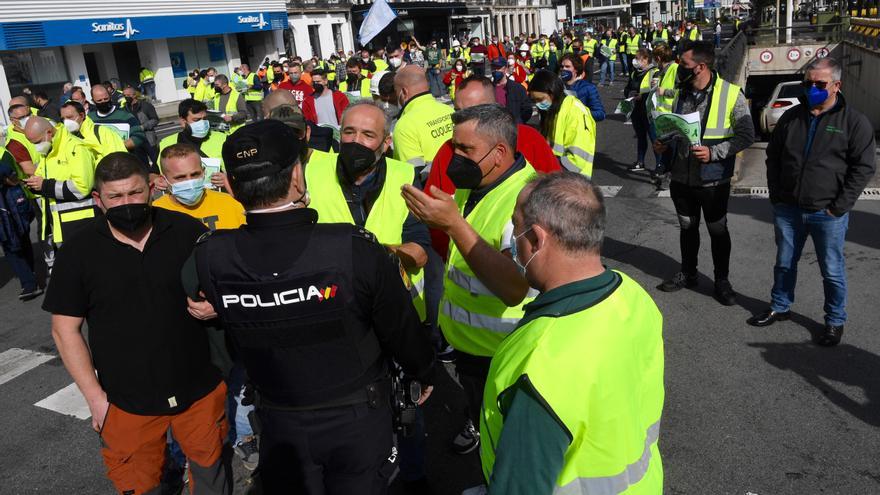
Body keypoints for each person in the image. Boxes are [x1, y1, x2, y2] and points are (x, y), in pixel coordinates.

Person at [189, 120, 436, 493]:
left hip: (278, 419)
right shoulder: (352, 247)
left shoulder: (209, 254)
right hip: (356, 418)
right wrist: (424, 371)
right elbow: (401, 329)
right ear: (297, 177)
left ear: (233, 187)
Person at [43, 152, 231, 495]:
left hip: (199, 390)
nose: (126, 203)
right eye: (115, 197)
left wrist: (216, 306)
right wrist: (95, 399)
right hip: (125, 402)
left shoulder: (187, 230)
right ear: (98, 200)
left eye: (135, 193)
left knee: (212, 477)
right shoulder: (78, 251)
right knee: (142, 486)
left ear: (153, 187)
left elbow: (225, 291)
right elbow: (64, 329)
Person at [479, 172, 664, 494]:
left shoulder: (541, 362)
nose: (512, 242)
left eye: (515, 228)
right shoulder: (633, 295)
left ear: (537, 239)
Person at [402, 104, 535, 458]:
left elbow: (513, 287)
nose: (453, 158)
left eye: (465, 150)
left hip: (502, 352)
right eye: (453, 147)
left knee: (507, 443)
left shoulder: (526, 200)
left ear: (500, 153)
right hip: (470, 347)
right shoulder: (477, 184)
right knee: (487, 427)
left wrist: (452, 224)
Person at [748, 58, 877, 346]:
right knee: (784, 263)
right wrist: (776, 194)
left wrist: (838, 207)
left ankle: (834, 321)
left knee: (831, 270)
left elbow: (864, 168)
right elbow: (774, 158)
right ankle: (779, 306)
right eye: (808, 84)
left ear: (836, 85)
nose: (812, 89)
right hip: (789, 208)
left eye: (820, 84)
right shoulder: (792, 118)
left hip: (827, 212)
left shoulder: (854, 122)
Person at [654, 41, 754, 305]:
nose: (679, 68)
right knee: (687, 227)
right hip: (681, 178)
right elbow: (678, 129)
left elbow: (746, 136)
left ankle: (722, 280)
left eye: (683, 64)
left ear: (700, 66)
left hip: (713, 180)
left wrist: (714, 153)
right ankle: (688, 272)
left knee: (717, 230)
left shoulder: (731, 94)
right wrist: (664, 142)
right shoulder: (681, 93)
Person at [425, 76, 559, 259]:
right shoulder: (448, 151)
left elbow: (557, 200)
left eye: (473, 112)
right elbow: (435, 217)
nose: (462, 120)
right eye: (457, 112)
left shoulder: (530, 139)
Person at [24, 116, 96, 270]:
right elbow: (45, 181)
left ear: (49, 132)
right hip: (62, 225)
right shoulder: (49, 149)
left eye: (36, 142)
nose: (36, 147)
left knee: (91, 270)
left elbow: (82, 187)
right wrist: (35, 184)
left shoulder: (75, 148)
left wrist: (45, 185)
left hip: (82, 223)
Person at [528, 70, 597, 177]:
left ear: (553, 93)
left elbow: (576, 161)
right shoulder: (553, 110)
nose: (537, 104)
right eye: (534, 100)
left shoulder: (574, 112)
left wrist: (546, 171)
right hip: (558, 179)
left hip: (572, 183)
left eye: (540, 99)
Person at [393, 66, 454, 178]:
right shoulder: (449, 110)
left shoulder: (404, 125)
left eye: (396, 92)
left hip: (433, 190)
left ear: (404, 92)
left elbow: (414, 177)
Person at [157, 100, 228, 194]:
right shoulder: (166, 143)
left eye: (205, 118)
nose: (203, 123)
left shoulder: (223, 139)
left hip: (218, 198)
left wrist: (226, 178)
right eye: (196, 120)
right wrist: (156, 180)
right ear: (183, 121)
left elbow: (238, 170)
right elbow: (153, 173)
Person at [0, 141, 40, 300]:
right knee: (11, 242)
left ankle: (30, 280)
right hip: (8, 205)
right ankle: (29, 280)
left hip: (12, 203)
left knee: (17, 240)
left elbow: (9, 175)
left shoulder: (3, 154)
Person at [90, 84, 149, 165]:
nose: (103, 102)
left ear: (110, 96)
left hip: (125, 162)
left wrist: (118, 146)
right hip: (101, 165)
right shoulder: (90, 119)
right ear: (93, 101)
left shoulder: (125, 115)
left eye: (106, 98)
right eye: (99, 100)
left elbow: (139, 136)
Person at [60, 100, 127, 164]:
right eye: (63, 119)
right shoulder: (63, 137)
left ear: (82, 115)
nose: (66, 121)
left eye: (70, 117)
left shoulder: (102, 132)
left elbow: (118, 159)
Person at [625, 48, 659, 172]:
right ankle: (640, 162)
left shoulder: (654, 72)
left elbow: (655, 90)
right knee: (641, 137)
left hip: (649, 110)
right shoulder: (635, 73)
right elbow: (628, 87)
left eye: (638, 58)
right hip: (636, 109)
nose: (635, 60)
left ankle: (659, 165)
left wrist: (642, 96)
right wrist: (629, 93)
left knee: (654, 139)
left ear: (645, 59)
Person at [559, 54, 605, 121]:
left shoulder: (588, 88)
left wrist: (580, 112)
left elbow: (600, 114)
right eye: (562, 66)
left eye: (567, 66)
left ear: (576, 69)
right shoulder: (556, 86)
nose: (563, 69)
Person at [486, 60, 532, 125]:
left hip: (513, 128)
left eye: (498, 68)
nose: (495, 70)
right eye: (493, 68)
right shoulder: (487, 88)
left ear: (505, 69)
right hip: (494, 128)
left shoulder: (517, 88)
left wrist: (518, 122)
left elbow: (527, 109)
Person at [123, 85, 160, 165]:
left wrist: (142, 127)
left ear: (134, 95)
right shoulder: (124, 109)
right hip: (135, 141)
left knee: (156, 161)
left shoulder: (145, 105)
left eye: (128, 95)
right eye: (124, 96)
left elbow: (155, 120)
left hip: (149, 139)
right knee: (142, 165)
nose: (126, 97)